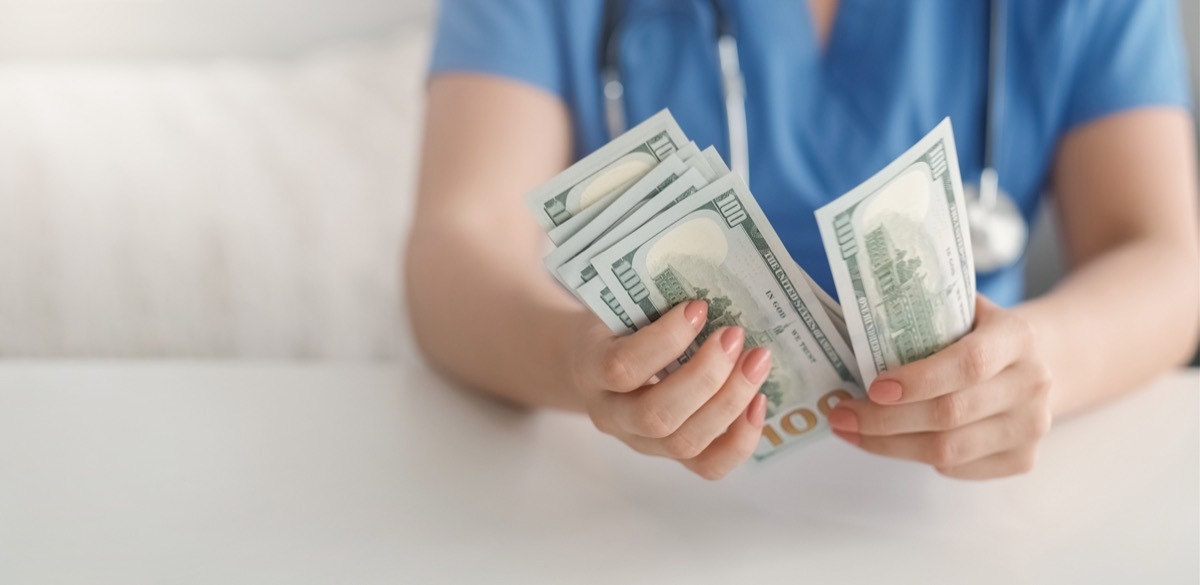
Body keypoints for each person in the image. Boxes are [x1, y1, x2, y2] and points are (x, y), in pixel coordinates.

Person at [406, 0, 1199, 480]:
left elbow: (1167, 259)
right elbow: (455, 247)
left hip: (970, 503)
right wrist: (582, 363)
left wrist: (1037, 366)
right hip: (634, 505)